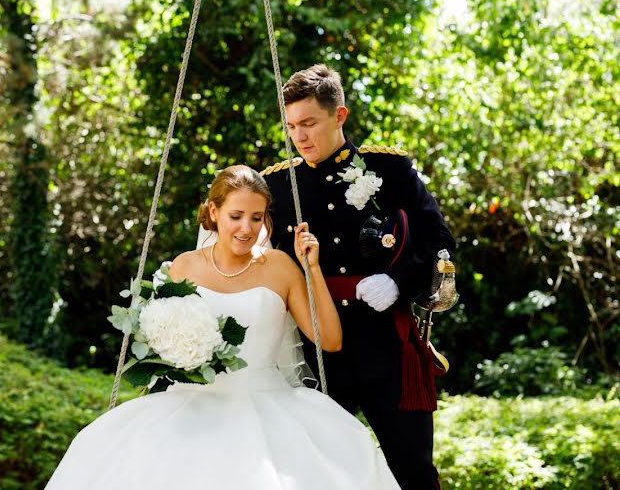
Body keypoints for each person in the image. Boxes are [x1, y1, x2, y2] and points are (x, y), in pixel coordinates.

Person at [46, 165, 399, 489]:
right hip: (190, 401)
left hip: (269, 402)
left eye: (256, 218)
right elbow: (157, 338)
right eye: (236, 216)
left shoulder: (280, 267)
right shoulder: (184, 266)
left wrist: (313, 269)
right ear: (213, 213)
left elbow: (330, 340)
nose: (246, 229)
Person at [261, 63, 456, 490]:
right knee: (321, 478)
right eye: (292, 126)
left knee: (413, 472)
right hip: (316, 358)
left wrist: (400, 281)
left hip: (388, 349)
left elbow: (439, 240)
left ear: (339, 116)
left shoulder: (390, 170)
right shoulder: (278, 185)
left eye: (309, 123)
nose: (300, 136)